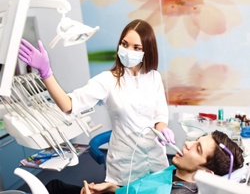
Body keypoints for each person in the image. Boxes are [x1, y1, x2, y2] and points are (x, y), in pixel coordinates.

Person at [18, 19, 175, 186]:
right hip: (125, 167)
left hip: (156, 161)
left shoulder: (154, 77)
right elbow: (69, 105)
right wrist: (46, 73)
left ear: (147, 50)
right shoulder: (108, 80)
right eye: (124, 44)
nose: (128, 51)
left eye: (136, 48)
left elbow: (159, 116)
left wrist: (163, 129)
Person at [78, 130, 244, 194]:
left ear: (207, 172)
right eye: (196, 140)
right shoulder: (177, 173)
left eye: (197, 148)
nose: (187, 144)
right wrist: (113, 189)